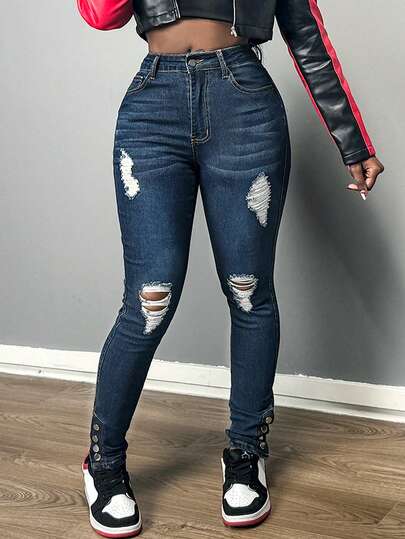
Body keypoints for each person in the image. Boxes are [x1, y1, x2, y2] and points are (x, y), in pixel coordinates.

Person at [77, 1, 384, 536]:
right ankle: (103, 462)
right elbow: (101, 15)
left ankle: (245, 453)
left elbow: (307, 36)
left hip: (243, 103)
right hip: (154, 105)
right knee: (149, 300)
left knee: (249, 290)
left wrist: (351, 140)